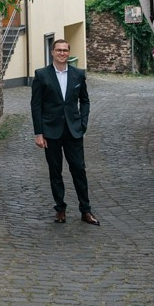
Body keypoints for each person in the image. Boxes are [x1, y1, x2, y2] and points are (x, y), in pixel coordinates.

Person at [30, 39, 99, 225]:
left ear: (69, 53)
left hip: (73, 131)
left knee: (79, 170)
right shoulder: (41, 75)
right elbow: (36, 105)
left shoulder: (78, 75)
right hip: (50, 131)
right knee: (55, 171)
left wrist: (83, 123)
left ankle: (86, 210)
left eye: (65, 50)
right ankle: (60, 209)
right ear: (52, 52)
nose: (62, 53)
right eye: (58, 50)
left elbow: (85, 100)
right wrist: (39, 133)